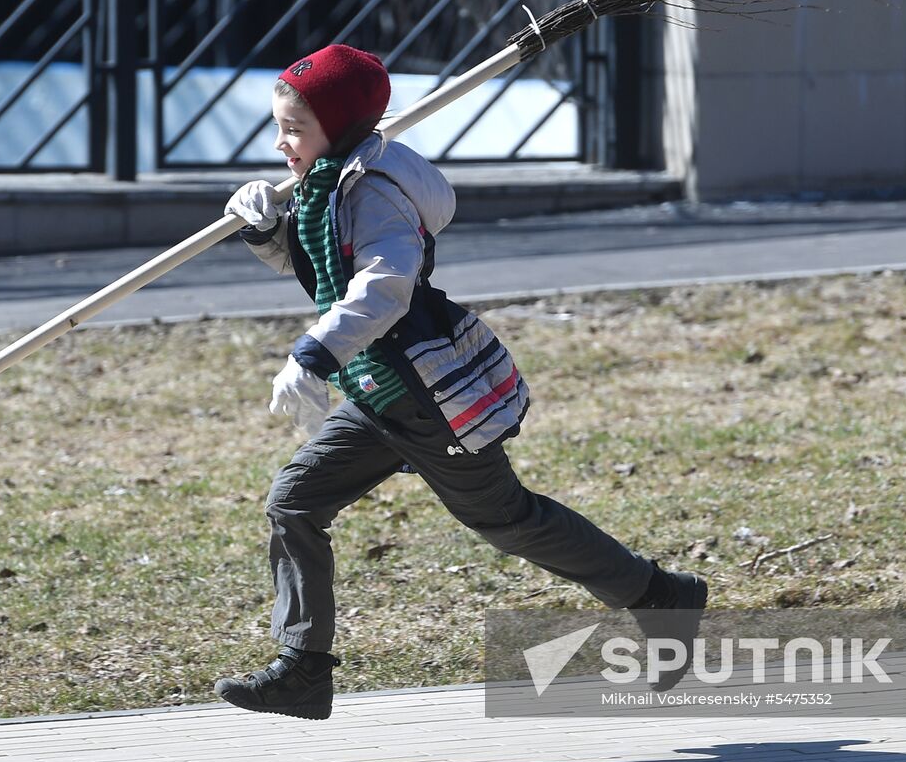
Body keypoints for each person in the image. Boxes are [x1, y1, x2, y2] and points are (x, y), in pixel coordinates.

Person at [214, 43, 706, 720]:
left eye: (293, 128)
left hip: (425, 396)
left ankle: (663, 598)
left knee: (509, 520)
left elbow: (383, 287)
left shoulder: (374, 193)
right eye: (280, 127)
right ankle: (304, 668)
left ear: (338, 126)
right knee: (295, 501)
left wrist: (313, 354)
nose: (280, 143)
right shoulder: (329, 182)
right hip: (375, 397)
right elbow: (322, 269)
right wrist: (268, 231)